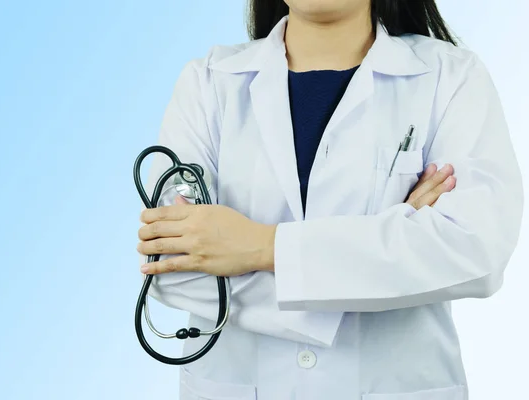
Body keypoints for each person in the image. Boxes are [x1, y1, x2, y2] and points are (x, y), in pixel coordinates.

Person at [136, 0, 523, 398]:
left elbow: (474, 250)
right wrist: (390, 245)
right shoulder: (208, 82)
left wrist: (260, 247)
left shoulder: (451, 77)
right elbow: (171, 268)